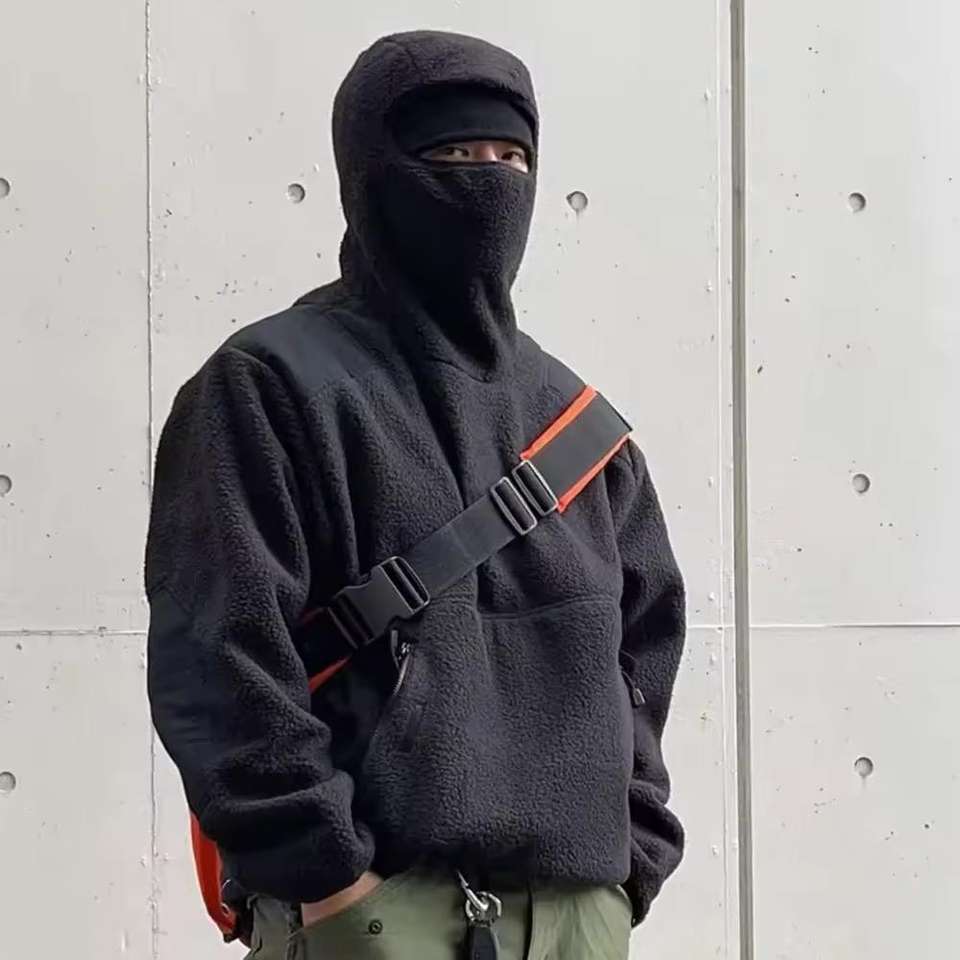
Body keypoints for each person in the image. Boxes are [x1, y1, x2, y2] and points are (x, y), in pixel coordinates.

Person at [145, 29, 686, 960]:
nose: (489, 181)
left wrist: (629, 865)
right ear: (370, 171)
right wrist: (327, 877)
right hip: (376, 916)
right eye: (453, 153)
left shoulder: (581, 425)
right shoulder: (270, 386)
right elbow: (220, 655)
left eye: (511, 157)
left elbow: (646, 649)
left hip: (578, 919)